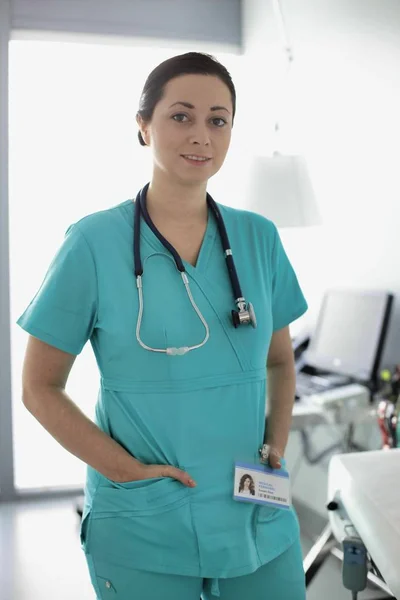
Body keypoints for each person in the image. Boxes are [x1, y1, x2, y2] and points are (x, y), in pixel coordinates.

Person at [17, 52, 308, 600]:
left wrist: (275, 445)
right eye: (181, 116)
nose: (201, 134)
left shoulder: (259, 239)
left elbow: (279, 361)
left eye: (217, 120)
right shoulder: (92, 243)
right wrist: (122, 470)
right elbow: (40, 387)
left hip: (256, 509)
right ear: (143, 125)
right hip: (143, 521)